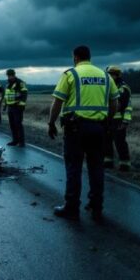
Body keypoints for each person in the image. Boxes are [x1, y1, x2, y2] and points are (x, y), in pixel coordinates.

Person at [47, 45, 119, 222]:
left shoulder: (70, 74)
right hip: (99, 129)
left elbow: (57, 102)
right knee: (96, 168)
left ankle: (72, 208)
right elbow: (114, 103)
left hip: (75, 130)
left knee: (74, 168)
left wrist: (51, 122)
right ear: (89, 57)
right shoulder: (105, 75)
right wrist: (106, 121)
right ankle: (96, 207)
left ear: (76, 57)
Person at [105, 66, 133, 171]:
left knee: (120, 142)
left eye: (112, 74)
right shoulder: (107, 86)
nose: (110, 76)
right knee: (106, 141)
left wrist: (126, 120)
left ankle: (125, 164)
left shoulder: (123, 88)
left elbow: (125, 106)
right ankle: (108, 162)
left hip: (119, 119)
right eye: (108, 74)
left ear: (117, 75)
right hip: (107, 119)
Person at [4, 69, 28, 147]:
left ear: (14, 75)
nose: (9, 77)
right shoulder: (8, 84)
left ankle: (21, 142)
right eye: (8, 75)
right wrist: (5, 105)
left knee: (18, 124)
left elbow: (24, 94)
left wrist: (21, 105)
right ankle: (15, 140)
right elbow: (6, 95)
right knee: (12, 124)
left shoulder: (20, 83)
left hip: (17, 107)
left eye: (10, 75)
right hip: (10, 107)